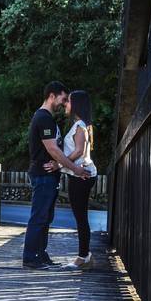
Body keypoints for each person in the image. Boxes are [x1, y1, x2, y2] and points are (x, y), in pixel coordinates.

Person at [22, 81, 88, 270]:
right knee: (39, 217)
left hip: (49, 175)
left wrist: (60, 166)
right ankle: (30, 258)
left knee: (46, 217)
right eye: (63, 98)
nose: (64, 103)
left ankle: (41, 255)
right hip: (42, 175)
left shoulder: (49, 119)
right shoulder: (42, 118)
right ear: (52, 95)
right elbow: (53, 149)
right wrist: (74, 169)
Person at [61, 90, 98, 269]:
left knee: (81, 218)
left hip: (80, 176)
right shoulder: (82, 125)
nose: (65, 105)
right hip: (80, 174)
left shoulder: (79, 126)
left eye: (68, 102)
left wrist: (58, 164)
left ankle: (84, 257)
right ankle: (85, 256)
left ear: (76, 104)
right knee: (80, 217)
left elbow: (78, 152)